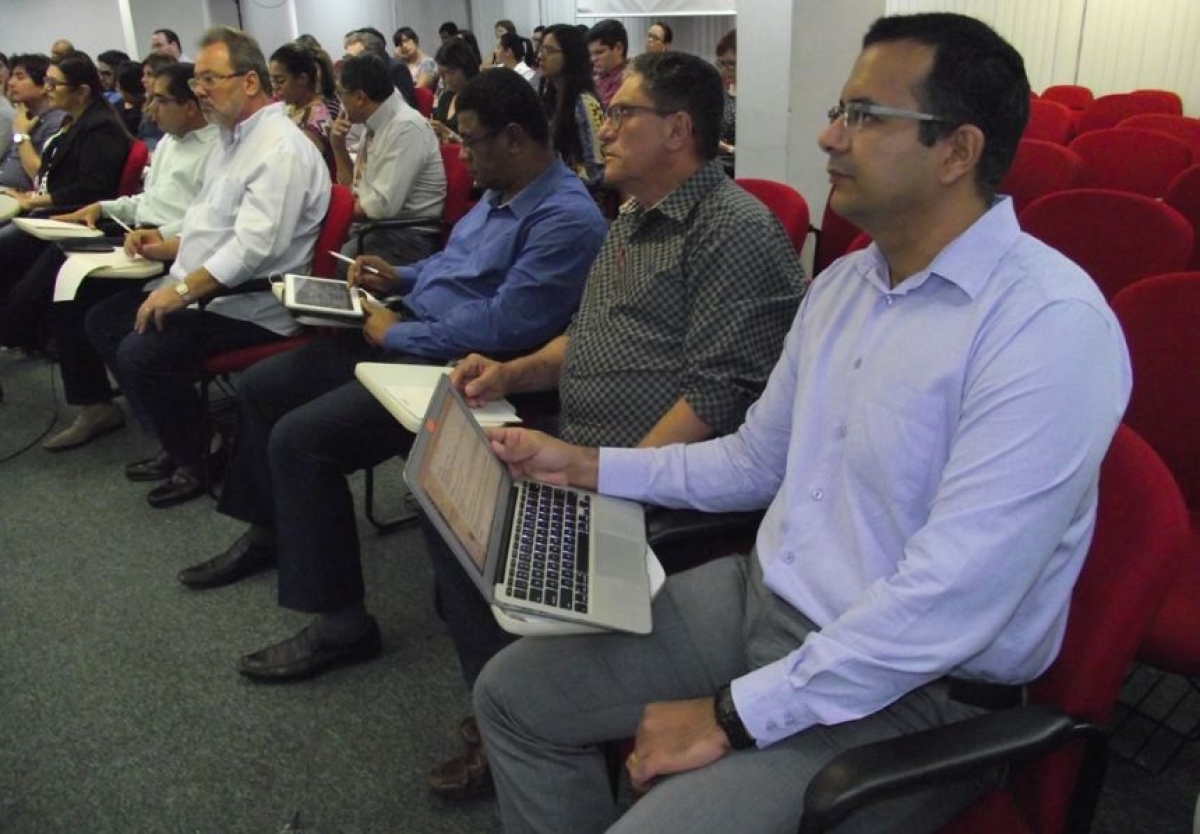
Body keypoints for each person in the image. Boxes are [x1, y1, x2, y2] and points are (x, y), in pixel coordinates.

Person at [473, 13, 1132, 833]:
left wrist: (731, 714)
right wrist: (585, 465)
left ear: (956, 151)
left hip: (908, 690)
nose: (827, 136)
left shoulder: (1049, 326)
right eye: (838, 109)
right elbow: (756, 459)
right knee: (512, 696)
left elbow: (948, 602)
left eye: (862, 116)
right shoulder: (847, 283)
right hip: (767, 597)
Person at [425, 51, 808, 801]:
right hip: (586, 458)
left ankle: (536, 718)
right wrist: (515, 373)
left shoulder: (731, 231)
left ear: (678, 130)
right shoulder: (634, 217)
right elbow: (591, 335)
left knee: (491, 534)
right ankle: (510, 710)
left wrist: (610, 481)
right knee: (448, 514)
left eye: (621, 112)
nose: (601, 126)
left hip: (654, 491)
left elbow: (717, 397)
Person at [174, 69, 607, 685]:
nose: (460, 154)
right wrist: (398, 279)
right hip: (411, 330)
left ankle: (341, 624)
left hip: (457, 368)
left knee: (301, 440)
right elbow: (453, 264)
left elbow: (505, 326)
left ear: (513, 138)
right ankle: (274, 528)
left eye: (469, 140)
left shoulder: (566, 218)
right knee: (263, 388)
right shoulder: (501, 189)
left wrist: (394, 332)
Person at [83, 26, 330, 509]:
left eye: (210, 79)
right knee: (102, 321)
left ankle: (201, 455)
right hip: (213, 289)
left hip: (254, 304)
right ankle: (178, 440)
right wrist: (168, 243)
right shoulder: (232, 139)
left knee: (140, 352)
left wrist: (177, 293)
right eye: (197, 81)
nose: (199, 91)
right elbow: (211, 224)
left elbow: (252, 250)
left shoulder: (279, 148)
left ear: (251, 82)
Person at [17, 63, 218, 452]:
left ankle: (15, 325)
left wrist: (158, 234)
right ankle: (102, 406)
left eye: (160, 99)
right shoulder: (170, 143)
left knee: (72, 295)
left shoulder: (215, 151)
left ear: (191, 105)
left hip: (170, 249)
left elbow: (205, 221)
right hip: (140, 234)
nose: (150, 108)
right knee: (62, 276)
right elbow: (147, 201)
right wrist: (103, 207)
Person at [0, 52, 130, 352]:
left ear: (82, 91)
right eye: (46, 81)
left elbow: (91, 189)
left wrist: (36, 202)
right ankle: (22, 331)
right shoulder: (71, 122)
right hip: (51, 211)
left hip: (70, 218)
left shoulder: (100, 127)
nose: (48, 89)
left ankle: (13, 328)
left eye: (54, 84)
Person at [330, 53, 445, 266]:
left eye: (341, 94)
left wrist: (329, 206)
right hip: (376, 229)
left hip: (406, 236)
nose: (340, 102)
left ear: (360, 97)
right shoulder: (375, 124)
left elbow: (380, 208)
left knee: (333, 265)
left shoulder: (405, 128)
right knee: (317, 245)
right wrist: (338, 147)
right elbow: (353, 190)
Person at [538, 24, 604, 183]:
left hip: (581, 193)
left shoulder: (586, 103)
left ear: (570, 55)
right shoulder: (549, 100)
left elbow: (597, 169)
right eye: (540, 50)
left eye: (548, 51)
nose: (540, 56)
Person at [0, 54, 67, 192]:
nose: (11, 83)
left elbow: (42, 178)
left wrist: (21, 134)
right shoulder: (24, 117)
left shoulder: (57, 122)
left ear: (44, 86)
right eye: (11, 76)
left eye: (20, 77)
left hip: (23, 201)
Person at [268, 43, 335, 175]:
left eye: (281, 81)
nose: (275, 87)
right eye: (272, 81)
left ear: (302, 79)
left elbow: (298, 168)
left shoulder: (316, 118)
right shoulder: (291, 108)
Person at [430, 38, 479, 143]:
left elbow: (481, 146)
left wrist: (449, 134)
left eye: (451, 73)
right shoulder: (446, 97)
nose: (447, 80)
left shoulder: (479, 98)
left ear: (466, 68)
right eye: (442, 75)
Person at [586, 19, 628, 109]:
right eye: (591, 54)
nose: (593, 59)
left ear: (619, 48)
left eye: (599, 52)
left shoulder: (627, 80)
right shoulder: (598, 77)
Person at [715, 29, 737, 174]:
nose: (724, 70)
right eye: (721, 64)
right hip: (720, 168)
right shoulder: (718, 94)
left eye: (731, 64)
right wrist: (729, 149)